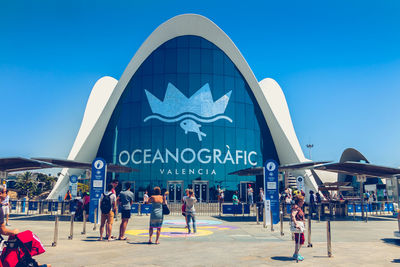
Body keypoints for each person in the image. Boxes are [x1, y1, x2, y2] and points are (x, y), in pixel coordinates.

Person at [291, 194, 306, 261]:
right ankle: (296, 254)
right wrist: (296, 224)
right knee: (301, 240)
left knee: (299, 240)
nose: (303, 202)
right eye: (302, 201)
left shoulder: (298, 207)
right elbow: (293, 215)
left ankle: (296, 253)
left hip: (300, 226)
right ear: (299, 201)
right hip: (298, 226)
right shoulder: (296, 207)